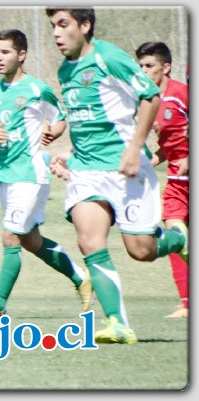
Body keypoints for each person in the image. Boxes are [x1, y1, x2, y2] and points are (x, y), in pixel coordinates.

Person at [45, 7, 188, 344]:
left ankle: (179, 239)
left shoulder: (110, 57)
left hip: (127, 169)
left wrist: (134, 147)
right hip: (88, 174)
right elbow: (86, 121)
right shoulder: (65, 70)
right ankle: (118, 324)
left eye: (63, 24)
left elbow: (150, 96)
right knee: (89, 241)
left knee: (141, 250)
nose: (56, 33)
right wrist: (70, 154)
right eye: (52, 26)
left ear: (85, 25)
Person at [0, 29, 93, 319]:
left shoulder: (37, 89)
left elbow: (60, 119)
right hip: (5, 173)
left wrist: (53, 132)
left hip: (30, 173)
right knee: (30, 240)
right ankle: (81, 278)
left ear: (21, 55)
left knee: (10, 236)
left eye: (6, 52)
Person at [135, 42, 189, 318]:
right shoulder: (149, 101)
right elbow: (169, 146)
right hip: (177, 183)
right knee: (176, 238)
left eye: (149, 66)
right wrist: (150, 160)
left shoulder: (183, 94)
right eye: (140, 67)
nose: (143, 72)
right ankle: (187, 304)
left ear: (166, 67)